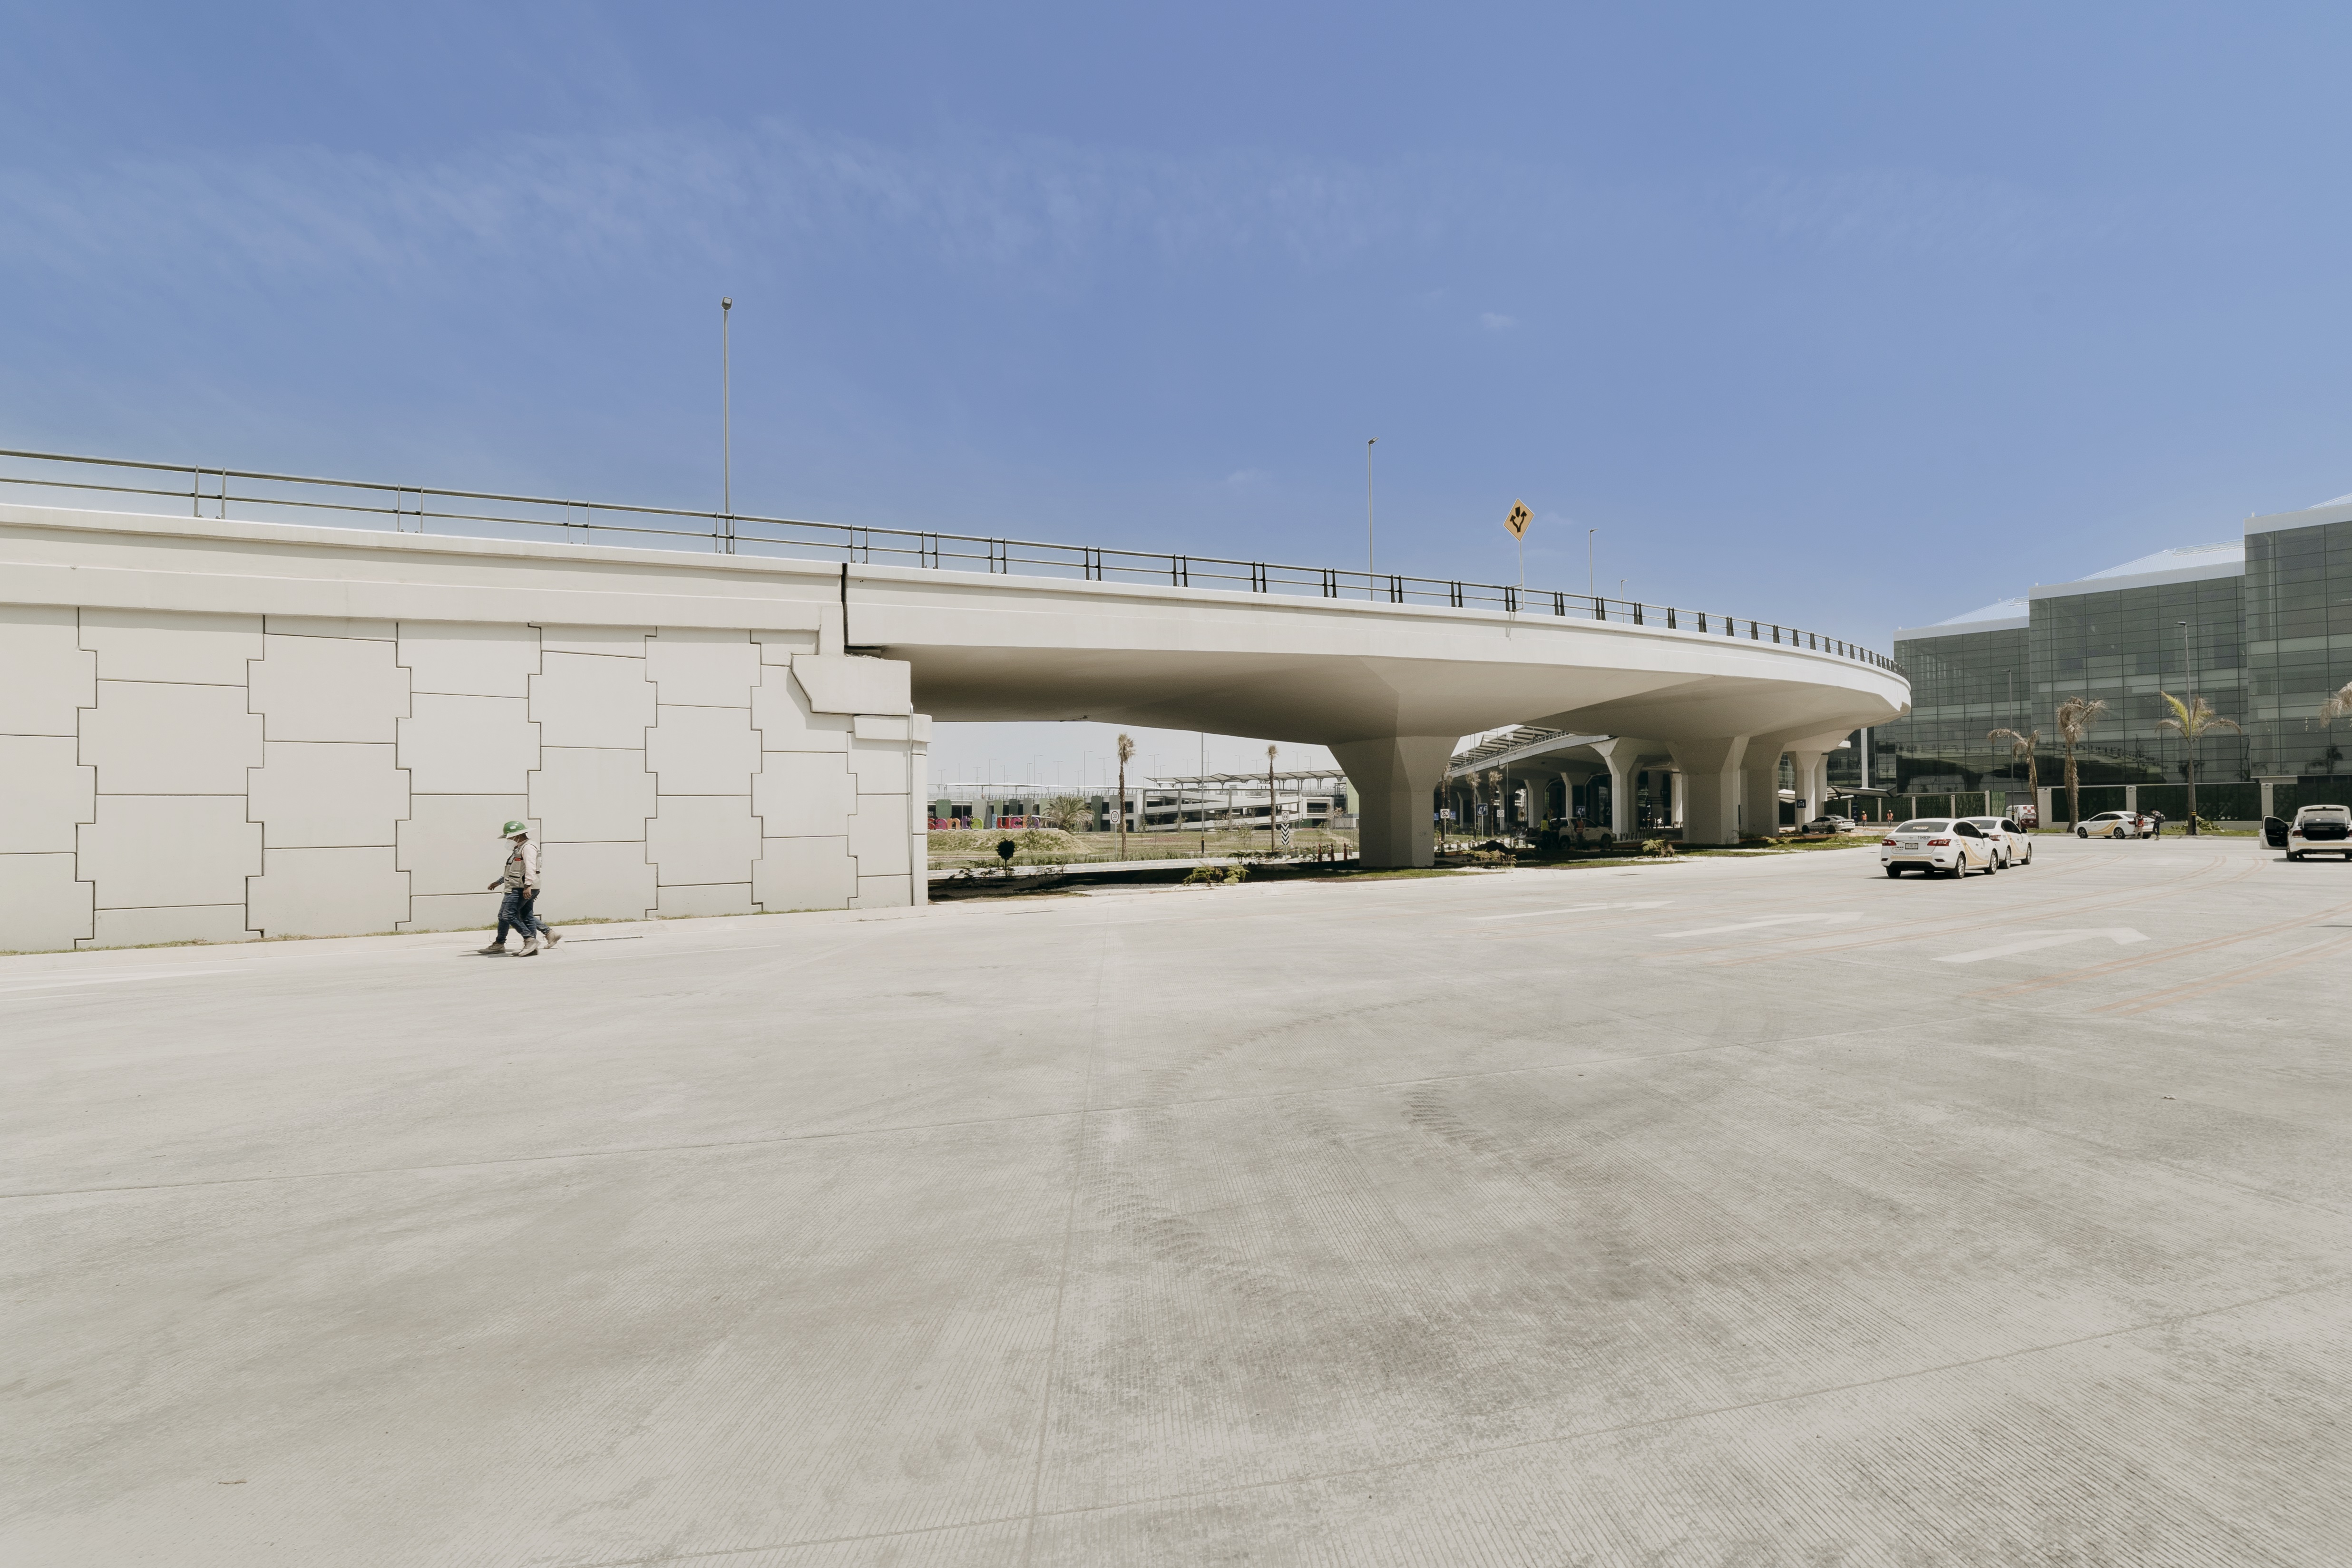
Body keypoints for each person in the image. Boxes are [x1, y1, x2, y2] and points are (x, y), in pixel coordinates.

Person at [479, 821, 560, 956]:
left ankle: (528, 940)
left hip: (521, 887)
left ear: (518, 835)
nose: (508, 839)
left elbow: (530, 868)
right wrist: (499, 882)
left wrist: (528, 886)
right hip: (521, 886)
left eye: (509, 837)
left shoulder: (528, 847)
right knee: (525, 916)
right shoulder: (520, 848)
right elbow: (514, 870)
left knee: (507, 915)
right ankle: (538, 941)